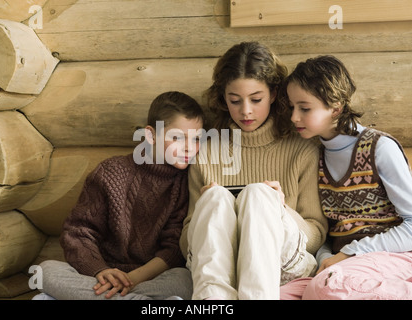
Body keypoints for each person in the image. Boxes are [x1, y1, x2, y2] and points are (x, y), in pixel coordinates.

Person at [179, 42, 328, 300]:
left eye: (256, 99)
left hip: (283, 264)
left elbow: (316, 235)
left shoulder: (302, 149)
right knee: (215, 198)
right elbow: (186, 244)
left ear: (273, 93)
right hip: (218, 263)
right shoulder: (205, 153)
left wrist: (281, 209)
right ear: (224, 99)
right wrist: (207, 209)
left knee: (259, 194)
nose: (245, 111)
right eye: (235, 101)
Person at [33, 91, 205, 300]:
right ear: (151, 135)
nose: (189, 147)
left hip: (149, 277)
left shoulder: (185, 182)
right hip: (100, 274)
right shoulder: (111, 172)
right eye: (178, 137)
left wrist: (131, 279)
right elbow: (79, 231)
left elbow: (174, 248)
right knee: (44, 272)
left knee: (184, 281)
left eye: (196, 139)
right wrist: (100, 271)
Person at [280, 55, 412, 299]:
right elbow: (331, 231)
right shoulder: (314, 155)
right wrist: (327, 259)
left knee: (326, 287)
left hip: (392, 257)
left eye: (304, 108)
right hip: (343, 264)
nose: (294, 117)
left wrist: (350, 254)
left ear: (336, 107)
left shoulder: (379, 148)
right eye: (292, 107)